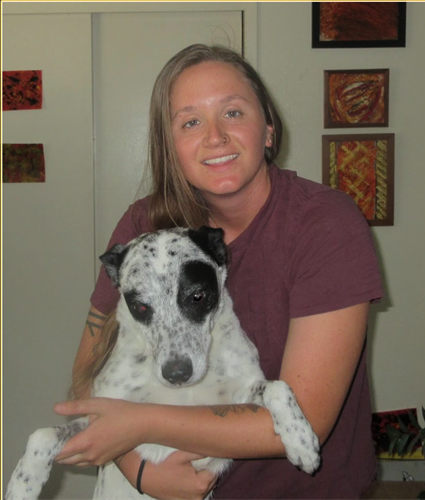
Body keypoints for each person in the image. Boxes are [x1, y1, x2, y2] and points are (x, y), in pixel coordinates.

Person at [54, 44, 383, 500]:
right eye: (190, 121)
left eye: (232, 112)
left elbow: (303, 420)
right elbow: (88, 371)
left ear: (268, 128)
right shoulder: (143, 228)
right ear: (170, 147)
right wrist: (138, 471)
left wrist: (137, 426)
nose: (215, 136)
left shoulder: (325, 226)